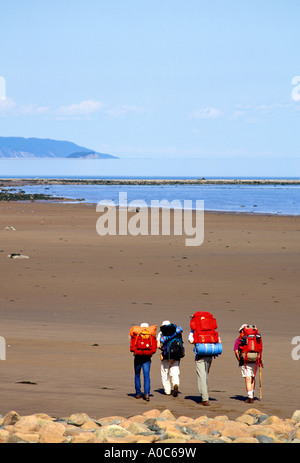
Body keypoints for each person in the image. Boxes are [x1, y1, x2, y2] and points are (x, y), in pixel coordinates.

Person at [234, 324, 263, 403]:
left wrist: (239, 359)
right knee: (253, 377)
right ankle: (252, 394)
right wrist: (260, 359)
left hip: (245, 360)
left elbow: (236, 351)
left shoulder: (239, 339)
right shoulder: (256, 338)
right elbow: (260, 349)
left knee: (248, 378)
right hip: (256, 359)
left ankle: (250, 398)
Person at [129, 322, 157, 402]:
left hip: (137, 357)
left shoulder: (136, 335)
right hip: (147, 358)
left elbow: (131, 348)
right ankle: (147, 394)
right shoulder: (151, 336)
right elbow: (154, 350)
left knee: (137, 374)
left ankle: (138, 393)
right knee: (146, 376)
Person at [157, 320, 184, 397]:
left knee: (164, 372)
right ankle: (175, 384)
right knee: (175, 371)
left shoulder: (161, 333)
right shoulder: (177, 331)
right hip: (176, 355)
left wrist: (162, 351)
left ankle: (167, 390)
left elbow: (158, 345)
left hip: (166, 356)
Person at [188, 330, 212, 406]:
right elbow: (218, 340)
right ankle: (206, 395)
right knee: (206, 375)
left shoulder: (195, 330)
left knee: (202, 376)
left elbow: (191, 340)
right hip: (210, 353)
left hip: (200, 354)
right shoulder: (210, 328)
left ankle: (205, 399)